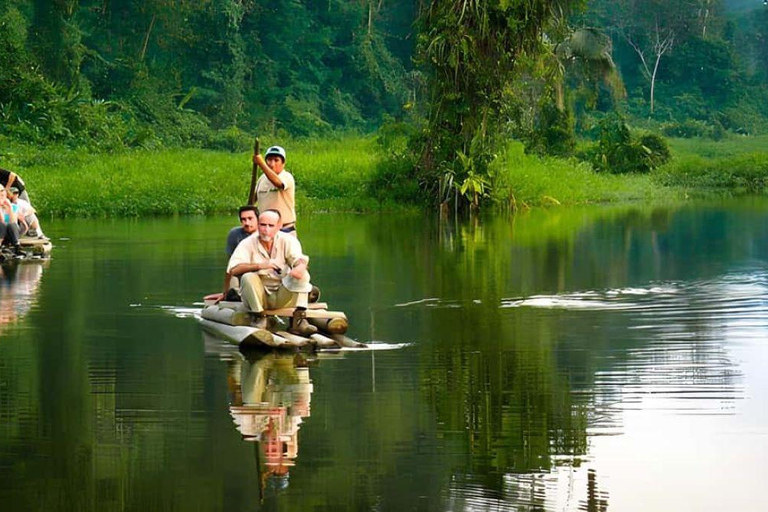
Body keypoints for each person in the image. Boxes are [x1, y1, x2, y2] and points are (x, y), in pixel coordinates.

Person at [226, 209, 317, 336]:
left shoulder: (288, 240)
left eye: (270, 226)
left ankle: (299, 321)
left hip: (281, 294)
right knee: (247, 277)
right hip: (257, 297)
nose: (266, 230)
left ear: (279, 226)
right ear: (258, 225)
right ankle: (259, 318)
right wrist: (259, 266)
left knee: (303, 275)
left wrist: (299, 267)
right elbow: (233, 269)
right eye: (263, 225)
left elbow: (298, 259)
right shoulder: (247, 243)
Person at [253, 146, 297, 236]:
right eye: (269, 160)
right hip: (265, 231)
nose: (272, 164)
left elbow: (278, 183)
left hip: (285, 230)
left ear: (283, 163)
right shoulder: (261, 179)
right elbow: (252, 201)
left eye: (276, 160)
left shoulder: (286, 177)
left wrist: (261, 164)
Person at [0, 185, 21, 254]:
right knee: (2, 225)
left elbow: (14, 222)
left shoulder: (13, 206)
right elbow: (2, 221)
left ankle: (17, 246)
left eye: (2, 190)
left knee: (11, 225)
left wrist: (10, 208)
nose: (1, 193)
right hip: (1, 234)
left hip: (10, 234)